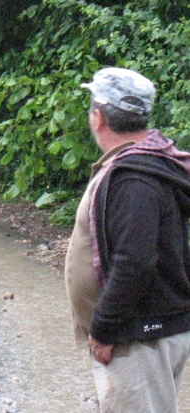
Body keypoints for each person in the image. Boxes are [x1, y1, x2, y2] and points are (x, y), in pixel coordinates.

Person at [65, 67, 190, 412]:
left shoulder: (133, 178)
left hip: (137, 338)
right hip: (146, 333)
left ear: (98, 117)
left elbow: (135, 262)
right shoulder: (147, 164)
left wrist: (105, 329)